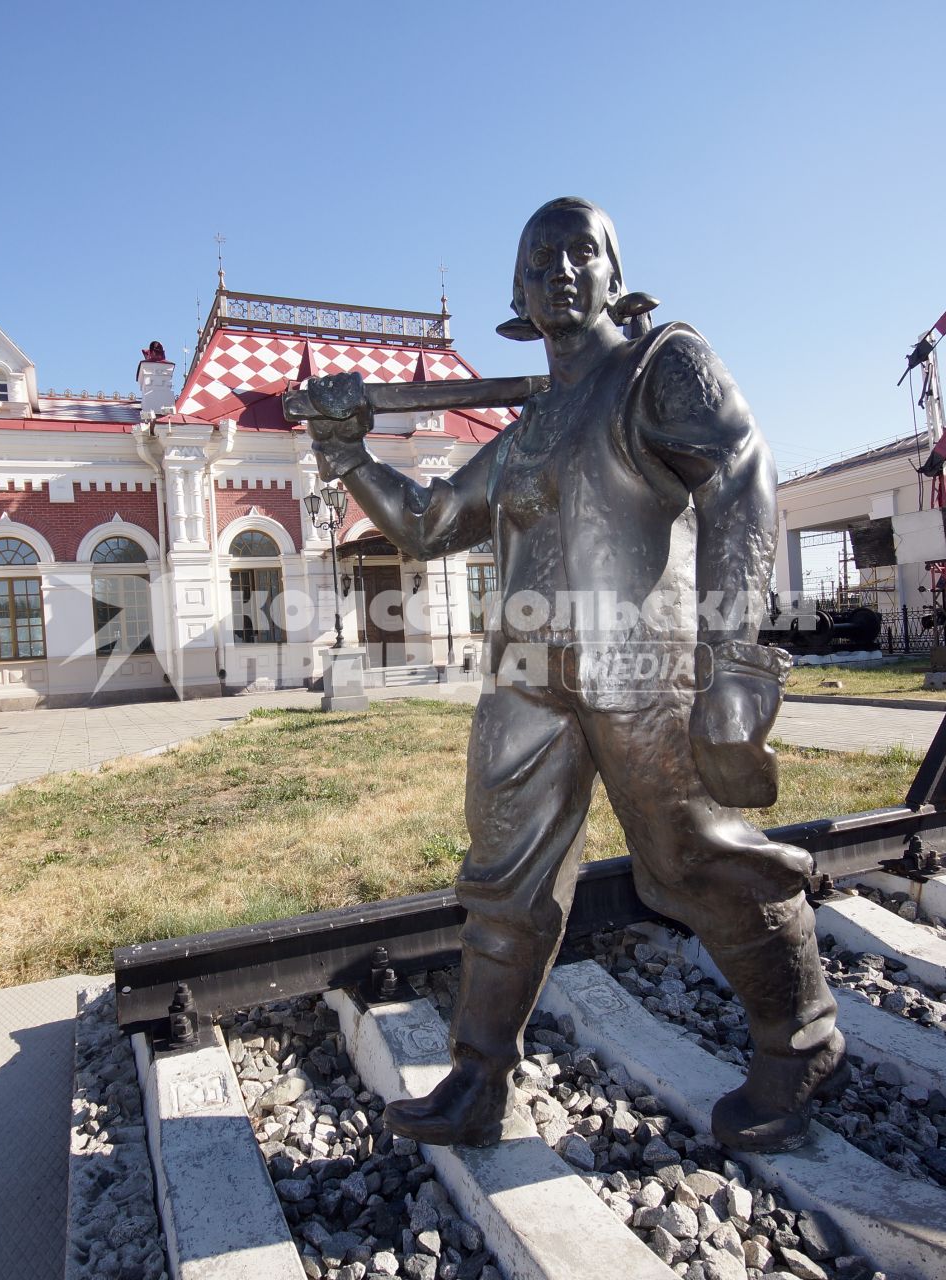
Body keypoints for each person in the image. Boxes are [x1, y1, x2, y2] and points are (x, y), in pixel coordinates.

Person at [305, 197, 844, 1154]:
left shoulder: (660, 365)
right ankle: (477, 1078)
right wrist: (346, 453)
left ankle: (798, 1040)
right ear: (516, 293)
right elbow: (430, 523)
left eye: (579, 252)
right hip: (525, 674)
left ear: (611, 272)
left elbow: (742, 479)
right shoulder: (527, 427)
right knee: (503, 880)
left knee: (691, 859)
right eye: (538, 258)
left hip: (644, 665)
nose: (559, 269)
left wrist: (733, 660)